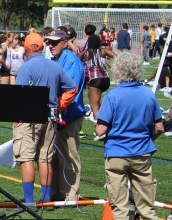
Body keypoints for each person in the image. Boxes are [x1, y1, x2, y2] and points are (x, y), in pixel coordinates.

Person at [95, 52, 170, 220]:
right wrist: (147, 139)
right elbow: (159, 127)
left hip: (117, 154)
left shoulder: (113, 96)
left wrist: (98, 126)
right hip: (142, 154)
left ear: (118, 71)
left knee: (120, 209)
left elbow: (101, 129)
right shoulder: (148, 94)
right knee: (147, 209)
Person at [13, 33, 78, 205]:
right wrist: (59, 104)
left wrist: (17, 117)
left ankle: (29, 201)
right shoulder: (55, 66)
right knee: (45, 159)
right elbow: (72, 88)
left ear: (27, 48)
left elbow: (20, 95)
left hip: (29, 117)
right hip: (50, 116)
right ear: (41, 48)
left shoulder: (26, 67)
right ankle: (46, 200)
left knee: (26, 158)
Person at [46, 27, 86, 202]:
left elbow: (70, 89)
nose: (50, 45)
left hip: (69, 115)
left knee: (69, 155)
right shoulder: (56, 59)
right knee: (54, 156)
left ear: (64, 43)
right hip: (56, 114)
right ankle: (55, 192)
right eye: (48, 42)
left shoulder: (71, 61)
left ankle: (71, 194)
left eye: (54, 42)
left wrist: (57, 107)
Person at [79, 23, 114, 121]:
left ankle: (99, 125)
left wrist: (85, 50)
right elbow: (117, 57)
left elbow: (77, 58)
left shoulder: (87, 53)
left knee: (95, 107)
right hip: (106, 79)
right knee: (93, 98)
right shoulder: (103, 51)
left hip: (95, 80)